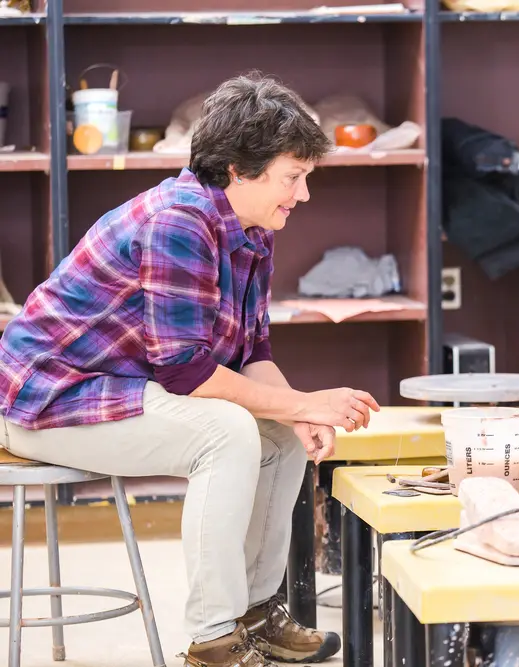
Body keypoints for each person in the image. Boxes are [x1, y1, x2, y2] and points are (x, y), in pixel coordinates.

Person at [0, 73, 380, 667]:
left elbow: (252, 353)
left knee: (280, 438)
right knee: (226, 433)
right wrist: (306, 403)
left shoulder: (251, 226)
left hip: (118, 387)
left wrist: (299, 413)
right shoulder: (179, 221)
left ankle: (256, 614)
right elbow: (186, 374)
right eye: (293, 177)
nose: (303, 194)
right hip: (48, 398)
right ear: (238, 169)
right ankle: (213, 640)